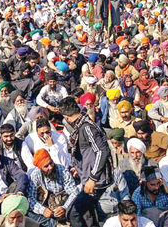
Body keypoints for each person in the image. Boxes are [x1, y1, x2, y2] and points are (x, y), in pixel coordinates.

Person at [58, 97, 112, 227]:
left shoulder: (86, 127)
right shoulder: (81, 126)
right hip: (88, 178)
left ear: (66, 117)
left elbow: (102, 151)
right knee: (89, 216)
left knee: (74, 213)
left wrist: (93, 178)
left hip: (95, 181)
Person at [27, 148, 79, 227]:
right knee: (30, 215)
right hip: (46, 208)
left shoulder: (62, 170)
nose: (51, 167)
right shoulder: (35, 176)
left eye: (51, 163)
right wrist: (43, 210)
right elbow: (31, 198)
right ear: (41, 168)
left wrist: (64, 208)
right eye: (46, 166)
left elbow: (74, 192)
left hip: (64, 205)